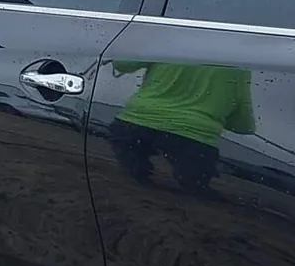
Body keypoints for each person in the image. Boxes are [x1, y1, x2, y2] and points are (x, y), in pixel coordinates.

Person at [106, 60, 255, 196]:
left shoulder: (170, 42)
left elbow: (122, 64)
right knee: (196, 193)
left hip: (134, 125)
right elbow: (244, 126)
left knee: (130, 174)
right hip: (195, 140)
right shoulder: (239, 66)